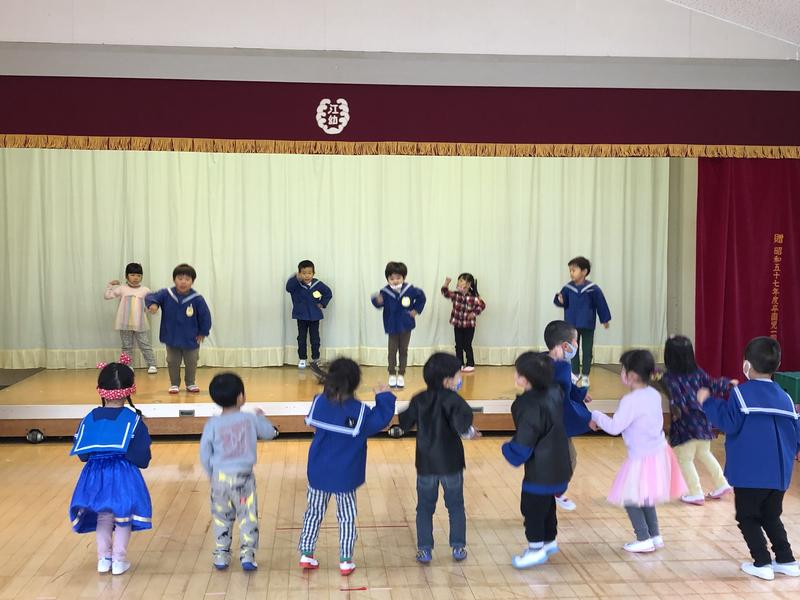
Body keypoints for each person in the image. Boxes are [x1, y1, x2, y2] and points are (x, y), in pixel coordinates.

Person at [699, 336, 800, 581]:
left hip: (751, 474)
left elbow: (728, 422)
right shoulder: (786, 398)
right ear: (777, 365)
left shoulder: (741, 394)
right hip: (779, 476)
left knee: (747, 517)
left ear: (746, 365)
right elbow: (796, 435)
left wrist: (707, 402)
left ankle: (762, 562)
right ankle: (786, 560)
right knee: (771, 516)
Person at [298, 358, 396, 575]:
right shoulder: (359, 412)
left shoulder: (319, 402)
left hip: (318, 472)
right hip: (345, 475)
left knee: (313, 512)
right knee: (346, 517)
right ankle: (345, 559)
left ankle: (306, 553)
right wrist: (384, 397)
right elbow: (380, 420)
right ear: (355, 383)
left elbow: (315, 424)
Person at [590, 349, 686, 553]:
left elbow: (615, 427)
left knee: (631, 497)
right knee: (645, 496)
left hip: (642, 456)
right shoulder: (653, 394)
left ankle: (643, 537)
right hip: (658, 453)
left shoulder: (631, 401)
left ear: (632, 375)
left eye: (623, 369)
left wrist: (596, 415)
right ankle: (655, 536)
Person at [390, 353, 480, 563]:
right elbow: (463, 426)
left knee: (424, 507)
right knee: (455, 505)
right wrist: (471, 433)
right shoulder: (455, 400)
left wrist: (396, 429)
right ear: (447, 380)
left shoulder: (419, 399)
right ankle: (458, 546)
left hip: (426, 463)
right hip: (451, 463)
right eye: (457, 375)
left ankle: (425, 549)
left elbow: (405, 422)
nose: (459, 379)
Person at [69, 355, 152, 576]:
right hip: (123, 475)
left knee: (103, 516)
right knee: (123, 517)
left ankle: (103, 560)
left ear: (101, 390)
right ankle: (119, 561)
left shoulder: (88, 418)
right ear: (129, 390)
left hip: (94, 476)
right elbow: (142, 458)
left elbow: (83, 455)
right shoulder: (134, 420)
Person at [199, 372, 278, 571]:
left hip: (219, 479)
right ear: (240, 396)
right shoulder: (250, 419)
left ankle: (221, 555)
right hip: (244, 479)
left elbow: (204, 452)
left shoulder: (212, 424)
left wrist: (211, 474)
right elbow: (269, 433)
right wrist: (262, 417)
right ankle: (247, 555)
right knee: (247, 515)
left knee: (221, 517)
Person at [502, 351, 572, 568]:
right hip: (561, 464)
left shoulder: (529, 405)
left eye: (518, 373)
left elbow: (525, 440)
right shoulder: (555, 392)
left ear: (527, 379)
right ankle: (550, 541)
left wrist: (509, 449)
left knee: (532, 508)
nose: (515, 376)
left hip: (541, 470)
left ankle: (535, 550)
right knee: (548, 505)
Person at [660, 335, 734, 505]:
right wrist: (726, 384)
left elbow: (677, 399)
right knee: (704, 453)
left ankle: (696, 492)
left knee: (684, 459)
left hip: (685, 425)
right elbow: (713, 384)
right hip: (703, 421)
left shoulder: (669, 378)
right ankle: (722, 483)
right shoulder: (698, 372)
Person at [543, 320, 593, 511]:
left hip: (544, 424)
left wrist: (579, 392)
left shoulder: (548, 362)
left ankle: (550, 492)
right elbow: (564, 395)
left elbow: (567, 388)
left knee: (560, 460)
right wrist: (588, 417)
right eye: (575, 341)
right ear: (565, 346)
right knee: (568, 459)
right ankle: (554, 493)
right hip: (554, 425)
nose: (576, 345)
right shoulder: (560, 367)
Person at [146, 263, 212, 393]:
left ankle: (190, 383)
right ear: (174, 279)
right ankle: (174, 383)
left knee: (192, 361)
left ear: (192, 281)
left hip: (191, 338)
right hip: (172, 337)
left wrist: (203, 331)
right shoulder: (166, 294)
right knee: (172, 361)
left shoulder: (197, 299)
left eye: (187, 279)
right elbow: (151, 296)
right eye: (180, 278)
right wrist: (153, 304)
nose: (183, 282)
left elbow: (205, 316)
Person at [553, 256, 611, 388]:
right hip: (571, 325)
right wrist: (559, 300)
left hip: (588, 324)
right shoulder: (568, 288)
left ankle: (585, 375)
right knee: (572, 350)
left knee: (587, 350)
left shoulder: (593, 289)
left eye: (574, 270)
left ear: (584, 271)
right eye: (570, 270)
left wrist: (605, 319)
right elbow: (561, 301)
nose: (571, 273)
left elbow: (601, 304)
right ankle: (575, 373)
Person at [371, 261, 426, 388]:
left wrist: (416, 310)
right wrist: (377, 300)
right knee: (392, 351)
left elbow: (422, 297)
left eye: (398, 278)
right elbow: (378, 303)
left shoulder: (410, 289)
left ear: (404, 277)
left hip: (406, 325)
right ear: (387, 279)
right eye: (392, 279)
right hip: (392, 326)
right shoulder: (385, 291)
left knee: (403, 350)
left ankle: (401, 374)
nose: (395, 281)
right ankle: (391, 373)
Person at [104, 262, 157, 373]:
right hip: (124, 323)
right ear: (126, 276)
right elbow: (107, 296)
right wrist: (110, 286)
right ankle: (127, 366)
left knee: (145, 344)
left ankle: (152, 364)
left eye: (138, 275)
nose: (135, 278)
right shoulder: (122, 288)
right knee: (126, 346)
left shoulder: (145, 290)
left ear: (142, 277)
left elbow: (152, 302)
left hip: (140, 323)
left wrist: (152, 307)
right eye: (132, 275)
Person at [285, 259, 333, 369]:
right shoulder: (296, 284)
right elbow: (288, 288)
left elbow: (328, 293)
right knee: (301, 338)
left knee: (315, 338)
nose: (307, 276)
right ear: (299, 273)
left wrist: (322, 303)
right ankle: (302, 358)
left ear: (313, 273)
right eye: (304, 273)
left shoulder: (317, 284)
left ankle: (316, 359)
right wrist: (295, 278)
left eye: (309, 273)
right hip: (301, 316)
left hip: (314, 316)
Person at [441, 274, 486, 372]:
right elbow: (445, 293)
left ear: (469, 284)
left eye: (462, 281)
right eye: (459, 280)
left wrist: (474, 313)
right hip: (458, 325)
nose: (459, 282)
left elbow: (482, 305)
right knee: (458, 345)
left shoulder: (474, 297)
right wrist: (446, 283)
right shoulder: (456, 295)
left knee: (467, 345)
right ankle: (459, 363)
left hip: (469, 326)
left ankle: (470, 364)